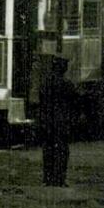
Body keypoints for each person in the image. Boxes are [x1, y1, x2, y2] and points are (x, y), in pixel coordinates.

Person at [38, 55, 77, 187]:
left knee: (48, 150)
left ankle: (47, 178)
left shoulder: (45, 83)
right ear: (63, 69)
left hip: (48, 121)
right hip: (62, 122)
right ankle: (60, 179)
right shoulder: (68, 85)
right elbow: (74, 104)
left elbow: (42, 102)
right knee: (62, 150)